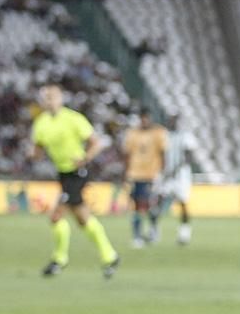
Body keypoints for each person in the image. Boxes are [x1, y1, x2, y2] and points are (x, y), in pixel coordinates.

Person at [29, 84, 120, 278]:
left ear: (61, 99)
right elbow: (38, 149)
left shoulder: (73, 119)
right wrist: (33, 155)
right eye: (46, 98)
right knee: (82, 218)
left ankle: (59, 260)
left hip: (77, 171)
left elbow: (96, 142)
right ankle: (110, 256)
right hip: (62, 173)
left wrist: (85, 158)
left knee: (56, 216)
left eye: (52, 97)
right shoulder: (41, 123)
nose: (49, 101)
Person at [122, 108, 168, 248]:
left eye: (147, 117)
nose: (144, 120)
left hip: (152, 174)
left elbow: (163, 153)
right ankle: (137, 236)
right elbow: (127, 155)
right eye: (142, 118)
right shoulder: (132, 133)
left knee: (148, 205)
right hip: (135, 174)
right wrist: (125, 173)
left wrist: (162, 173)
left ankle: (153, 228)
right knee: (136, 206)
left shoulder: (158, 132)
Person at [156, 114, 199, 245]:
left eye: (174, 120)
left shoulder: (186, 136)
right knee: (158, 200)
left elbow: (189, 157)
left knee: (183, 203)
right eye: (170, 120)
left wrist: (176, 169)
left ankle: (184, 234)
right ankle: (154, 231)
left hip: (181, 176)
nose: (171, 123)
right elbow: (161, 154)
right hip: (166, 174)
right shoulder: (165, 136)